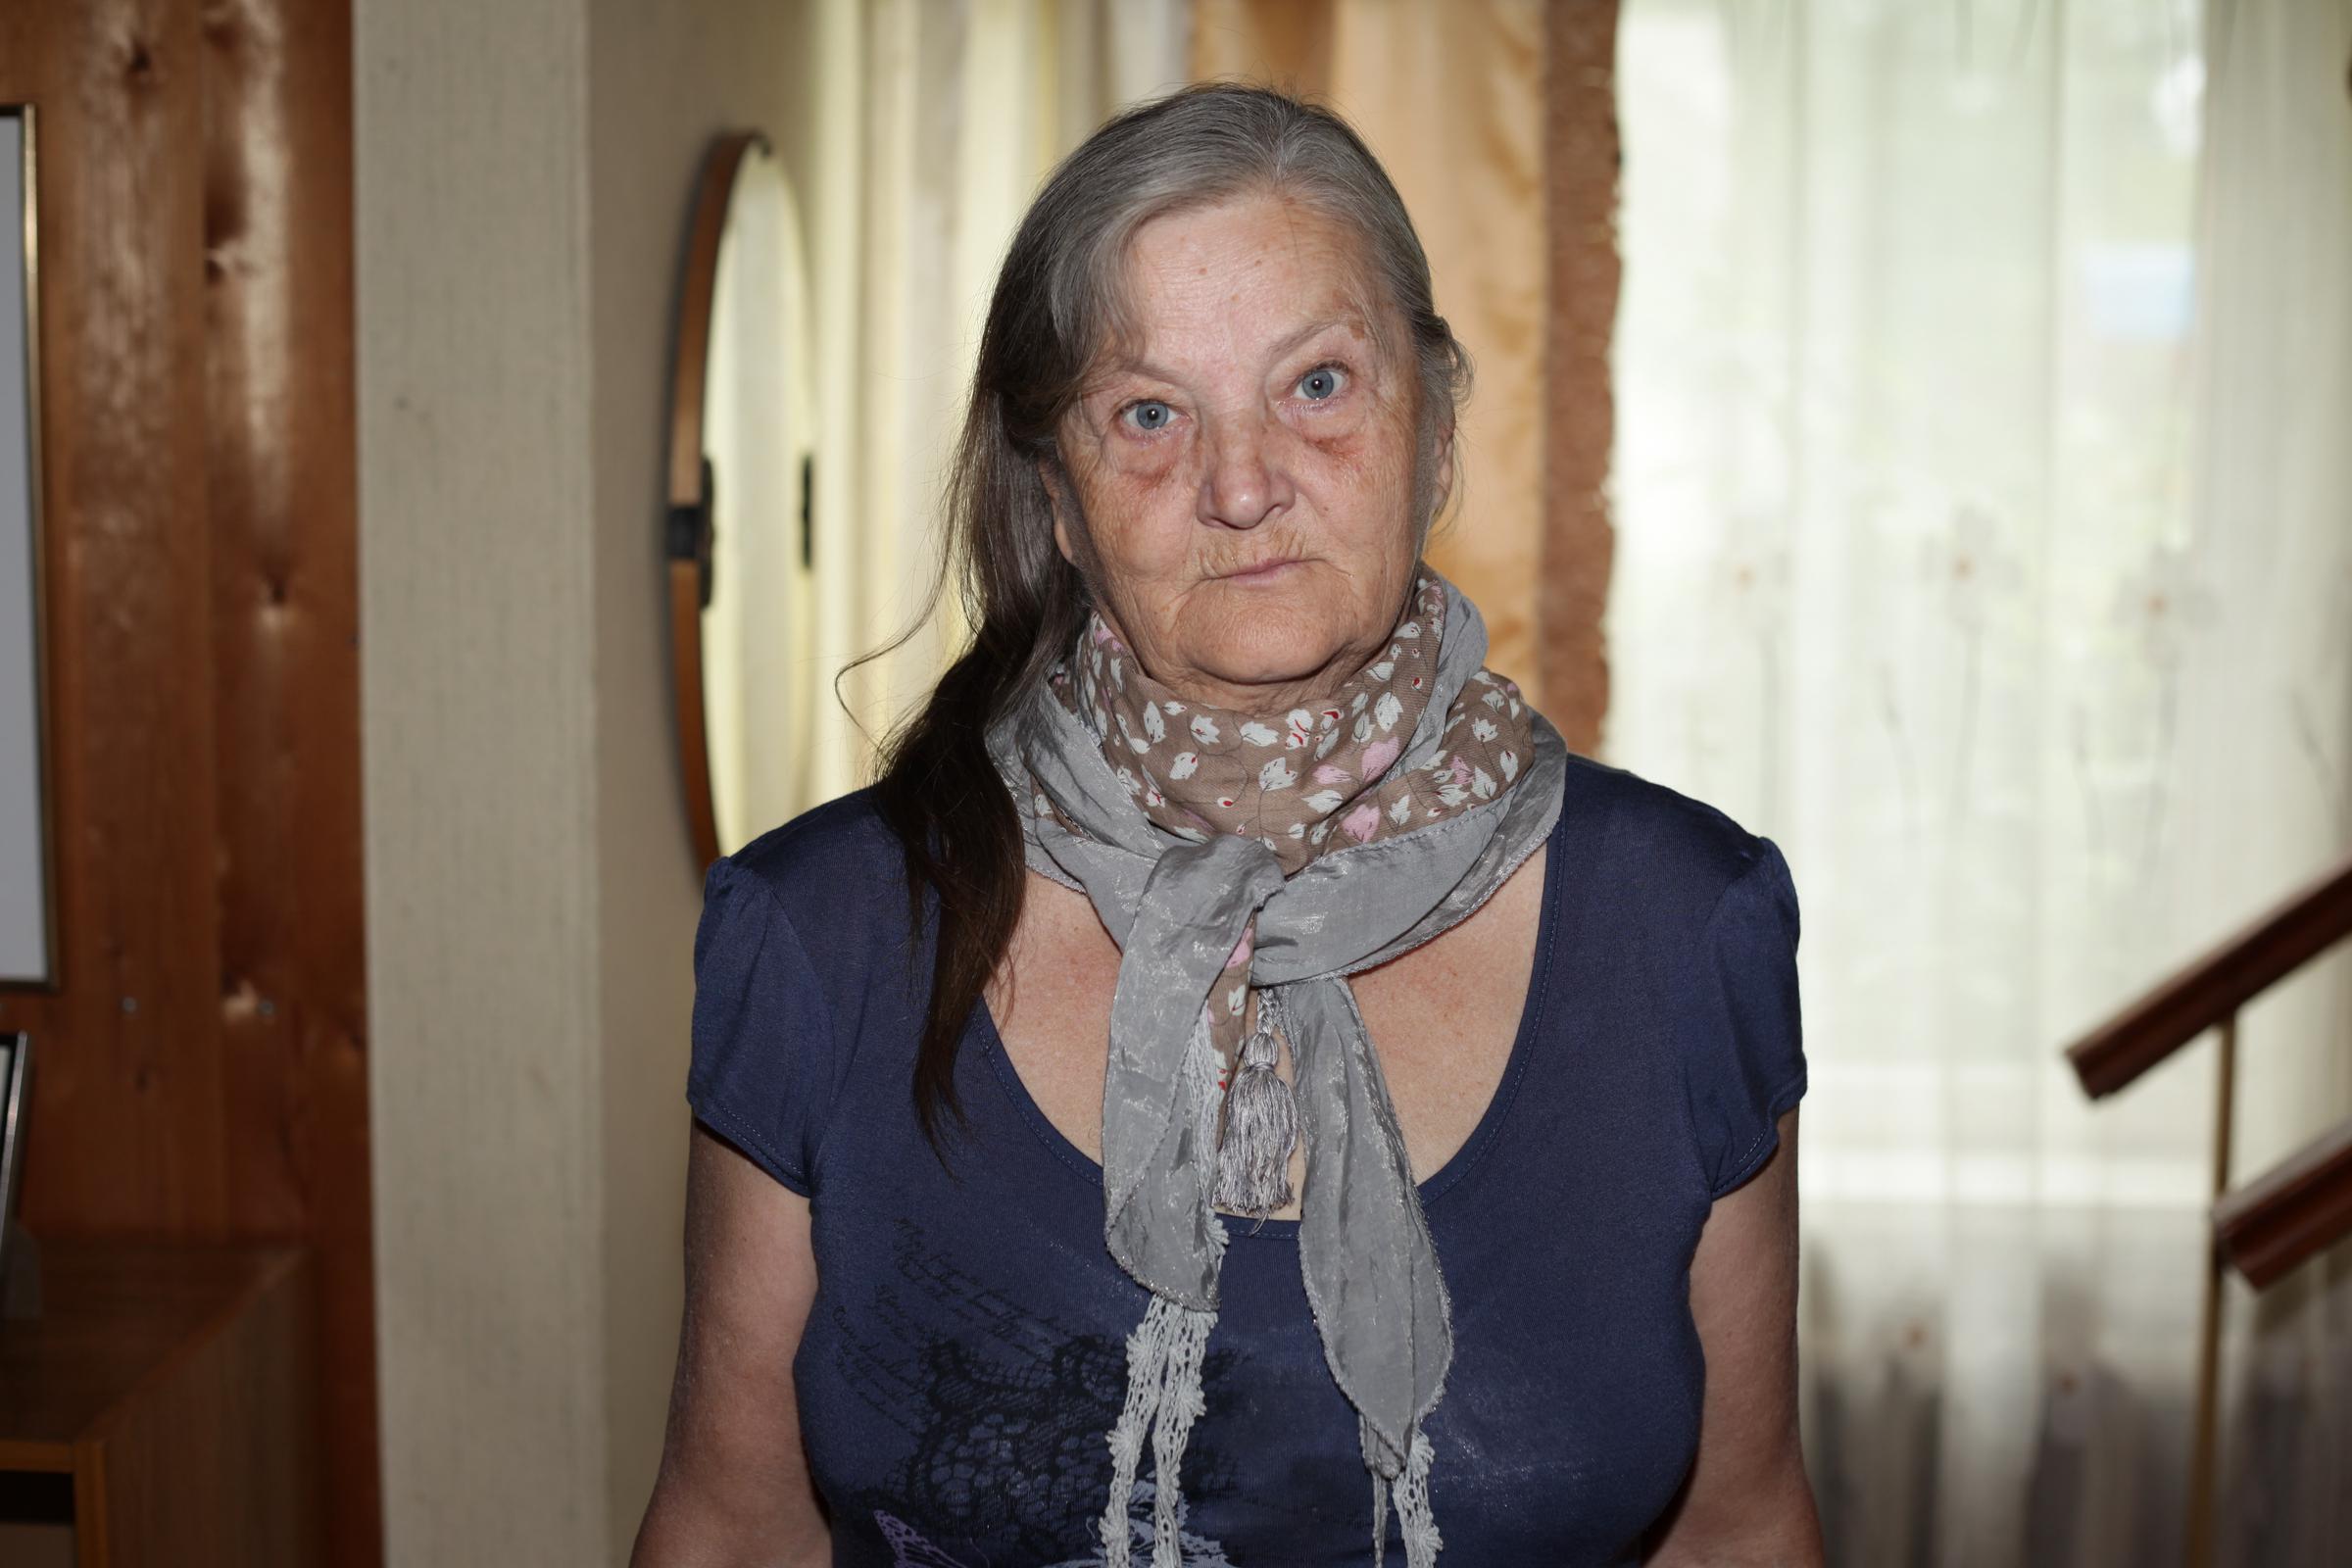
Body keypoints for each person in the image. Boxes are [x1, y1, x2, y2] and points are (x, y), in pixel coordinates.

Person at [632, 82, 1822, 1568]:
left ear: (1435, 426)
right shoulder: (823, 939)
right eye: (1148, 414)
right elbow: (736, 1532)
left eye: (1317, 384)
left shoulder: (1682, 927)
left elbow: (1738, 1529)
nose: (1245, 486)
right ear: (1060, 500)